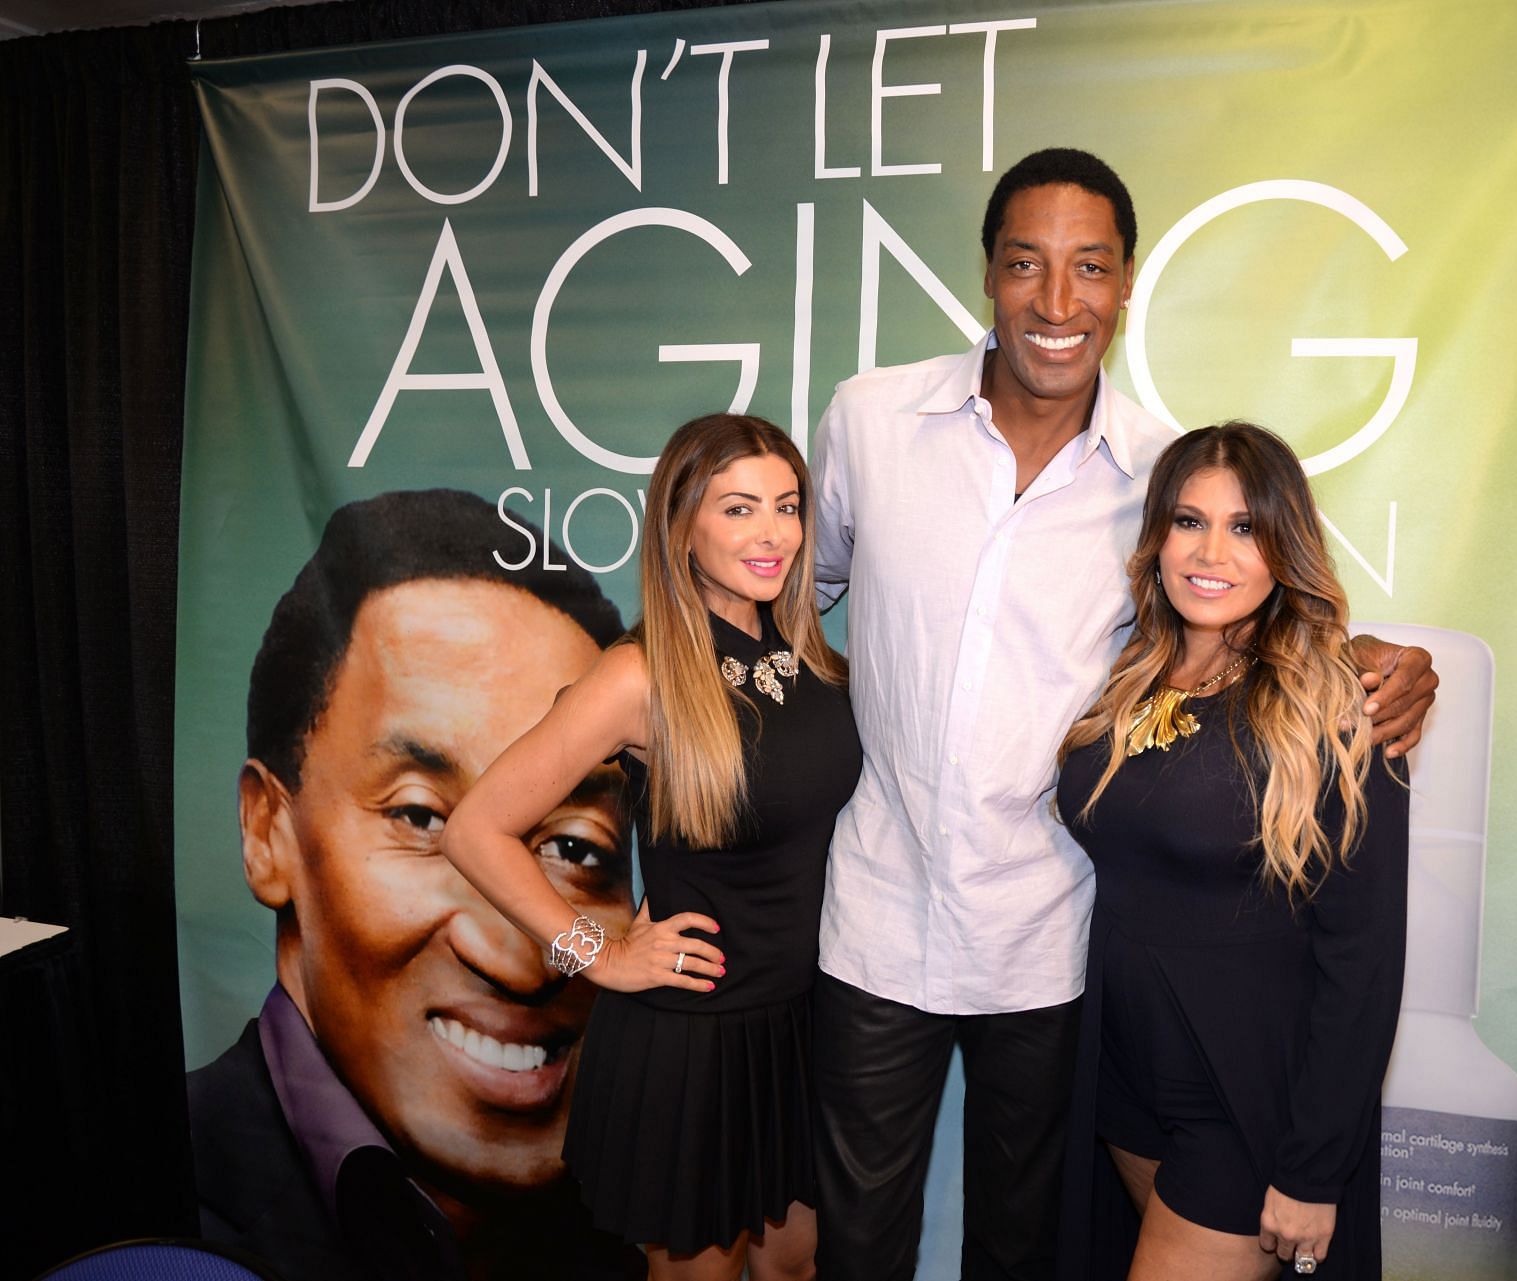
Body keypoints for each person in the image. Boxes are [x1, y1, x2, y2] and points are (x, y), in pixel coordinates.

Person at [805, 147, 1437, 1280]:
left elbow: (1246, 613)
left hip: (1052, 939)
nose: (1058, 302)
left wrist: (1380, 661)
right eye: (1026, 265)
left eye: (1089, 267)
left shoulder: (1160, 469)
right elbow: (798, 594)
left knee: (1025, 1244)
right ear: (988, 276)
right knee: (858, 1243)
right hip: (877, 913)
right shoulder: (869, 420)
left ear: (1128, 283)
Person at [442, 414, 859, 1281]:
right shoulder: (639, 675)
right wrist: (595, 953)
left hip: (809, 1024)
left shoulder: (814, 653)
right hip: (694, 1039)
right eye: (739, 509)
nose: (773, 533)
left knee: (797, 1268)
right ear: (682, 526)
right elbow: (476, 829)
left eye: (787, 506)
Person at [188, 487, 641, 1281]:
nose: (516, 953)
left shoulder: (632, 1234)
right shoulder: (167, 1204)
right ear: (268, 833)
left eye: (576, 844)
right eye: (423, 819)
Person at [1056, 422, 1409, 1281]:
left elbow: (1362, 957)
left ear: (1284, 545)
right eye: (1188, 521)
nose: (1211, 550)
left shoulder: (1340, 707)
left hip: (1245, 1103)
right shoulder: (1128, 671)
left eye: (1245, 526)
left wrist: (1314, 1166)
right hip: (1119, 1081)